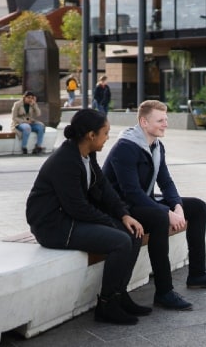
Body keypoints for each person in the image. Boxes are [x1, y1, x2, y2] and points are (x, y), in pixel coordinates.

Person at [103, 100, 206, 312]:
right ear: (144, 122)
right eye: (160, 120)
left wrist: (177, 207)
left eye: (166, 119)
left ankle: (197, 274)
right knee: (159, 218)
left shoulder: (156, 146)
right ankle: (164, 292)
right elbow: (131, 193)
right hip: (123, 208)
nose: (165, 124)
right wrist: (166, 212)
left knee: (197, 207)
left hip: (144, 201)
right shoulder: (125, 148)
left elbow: (166, 182)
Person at [25, 109, 149, 325]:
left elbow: (104, 187)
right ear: (91, 135)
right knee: (120, 241)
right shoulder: (66, 161)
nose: (107, 137)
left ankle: (119, 295)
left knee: (133, 233)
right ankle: (107, 305)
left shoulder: (86, 155)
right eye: (106, 133)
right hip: (53, 226)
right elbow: (78, 208)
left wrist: (124, 215)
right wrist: (111, 222)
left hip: (71, 218)